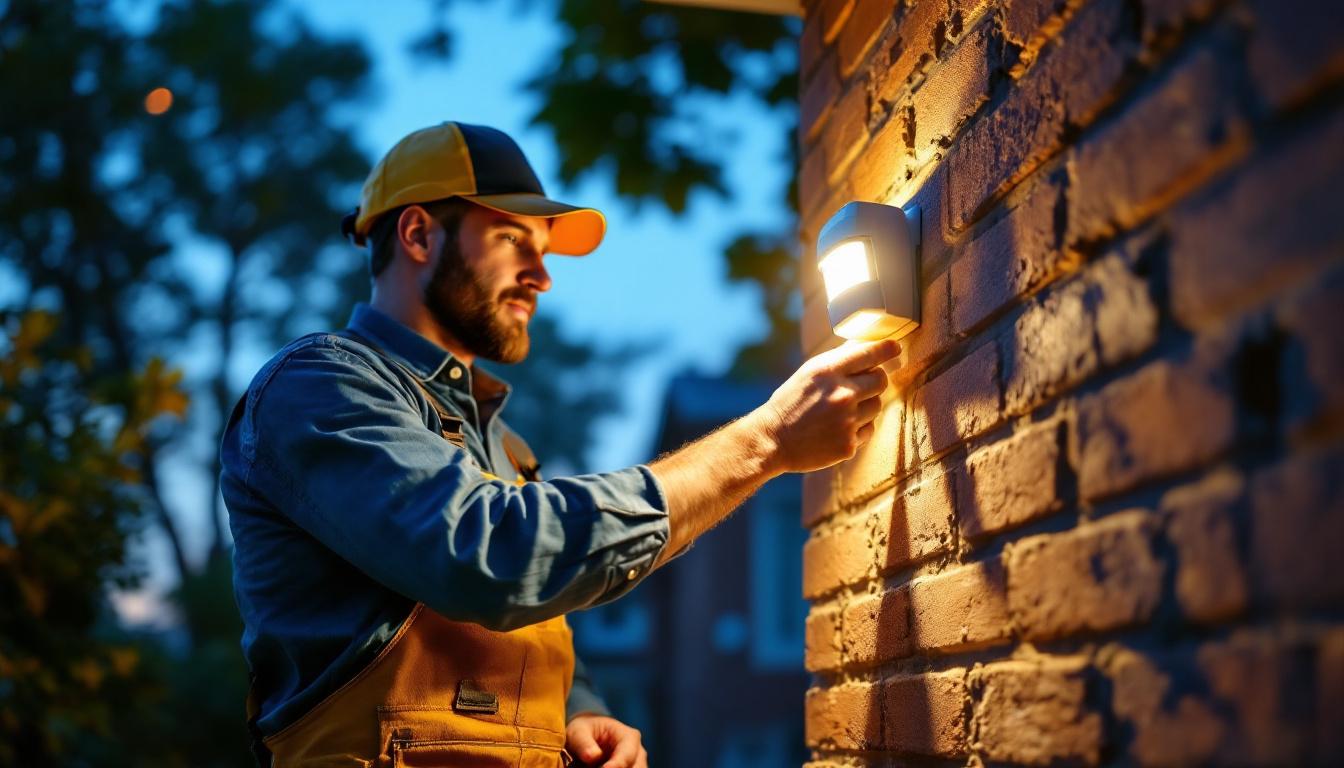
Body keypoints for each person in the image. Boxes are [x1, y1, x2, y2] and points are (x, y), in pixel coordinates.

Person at [220, 121, 899, 768]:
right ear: (419, 234)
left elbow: (520, 609)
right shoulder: (319, 386)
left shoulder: (506, 446)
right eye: (515, 239)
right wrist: (767, 439)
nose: (543, 276)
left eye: (544, 251)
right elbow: (491, 556)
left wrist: (573, 709)